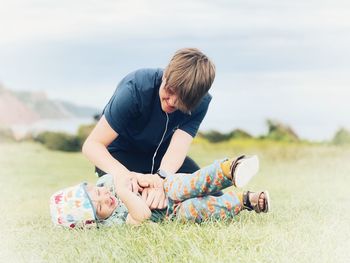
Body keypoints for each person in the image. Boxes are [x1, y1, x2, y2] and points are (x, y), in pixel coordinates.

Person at [82, 48, 216, 210]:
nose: (172, 102)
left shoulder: (201, 103)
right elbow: (92, 145)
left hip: (160, 156)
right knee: (138, 202)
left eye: (183, 99)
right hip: (118, 156)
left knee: (208, 192)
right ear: (166, 75)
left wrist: (162, 180)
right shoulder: (134, 89)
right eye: (171, 90)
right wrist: (122, 174)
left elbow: (178, 149)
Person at [50, 155, 270, 228]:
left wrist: (147, 181)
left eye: (96, 193)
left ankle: (229, 169)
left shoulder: (107, 182)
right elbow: (143, 215)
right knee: (199, 209)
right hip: (171, 214)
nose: (104, 198)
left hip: (165, 187)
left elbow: (136, 176)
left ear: (91, 186)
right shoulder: (113, 222)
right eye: (99, 207)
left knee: (189, 184)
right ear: (96, 221)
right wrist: (124, 192)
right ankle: (245, 201)